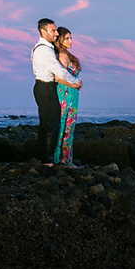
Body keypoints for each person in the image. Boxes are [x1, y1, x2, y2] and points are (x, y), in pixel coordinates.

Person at [31, 18, 81, 164]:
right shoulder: (43, 50)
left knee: (49, 123)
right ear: (43, 31)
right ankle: (46, 159)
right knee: (50, 124)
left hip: (46, 87)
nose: (56, 33)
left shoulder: (46, 48)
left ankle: (46, 157)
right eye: (53, 30)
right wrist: (75, 82)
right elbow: (59, 71)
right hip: (45, 87)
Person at [53, 27, 81, 166]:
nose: (70, 41)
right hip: (66, 95)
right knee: (66, 127)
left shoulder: (65, 54)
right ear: (60, 40)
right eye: (67, 38)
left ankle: (63, 159)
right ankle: (63, 160)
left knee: (66, 126)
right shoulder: (62, 55)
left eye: (71, 38)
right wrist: (75, 85)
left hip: (70, 94)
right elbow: (58, 77)